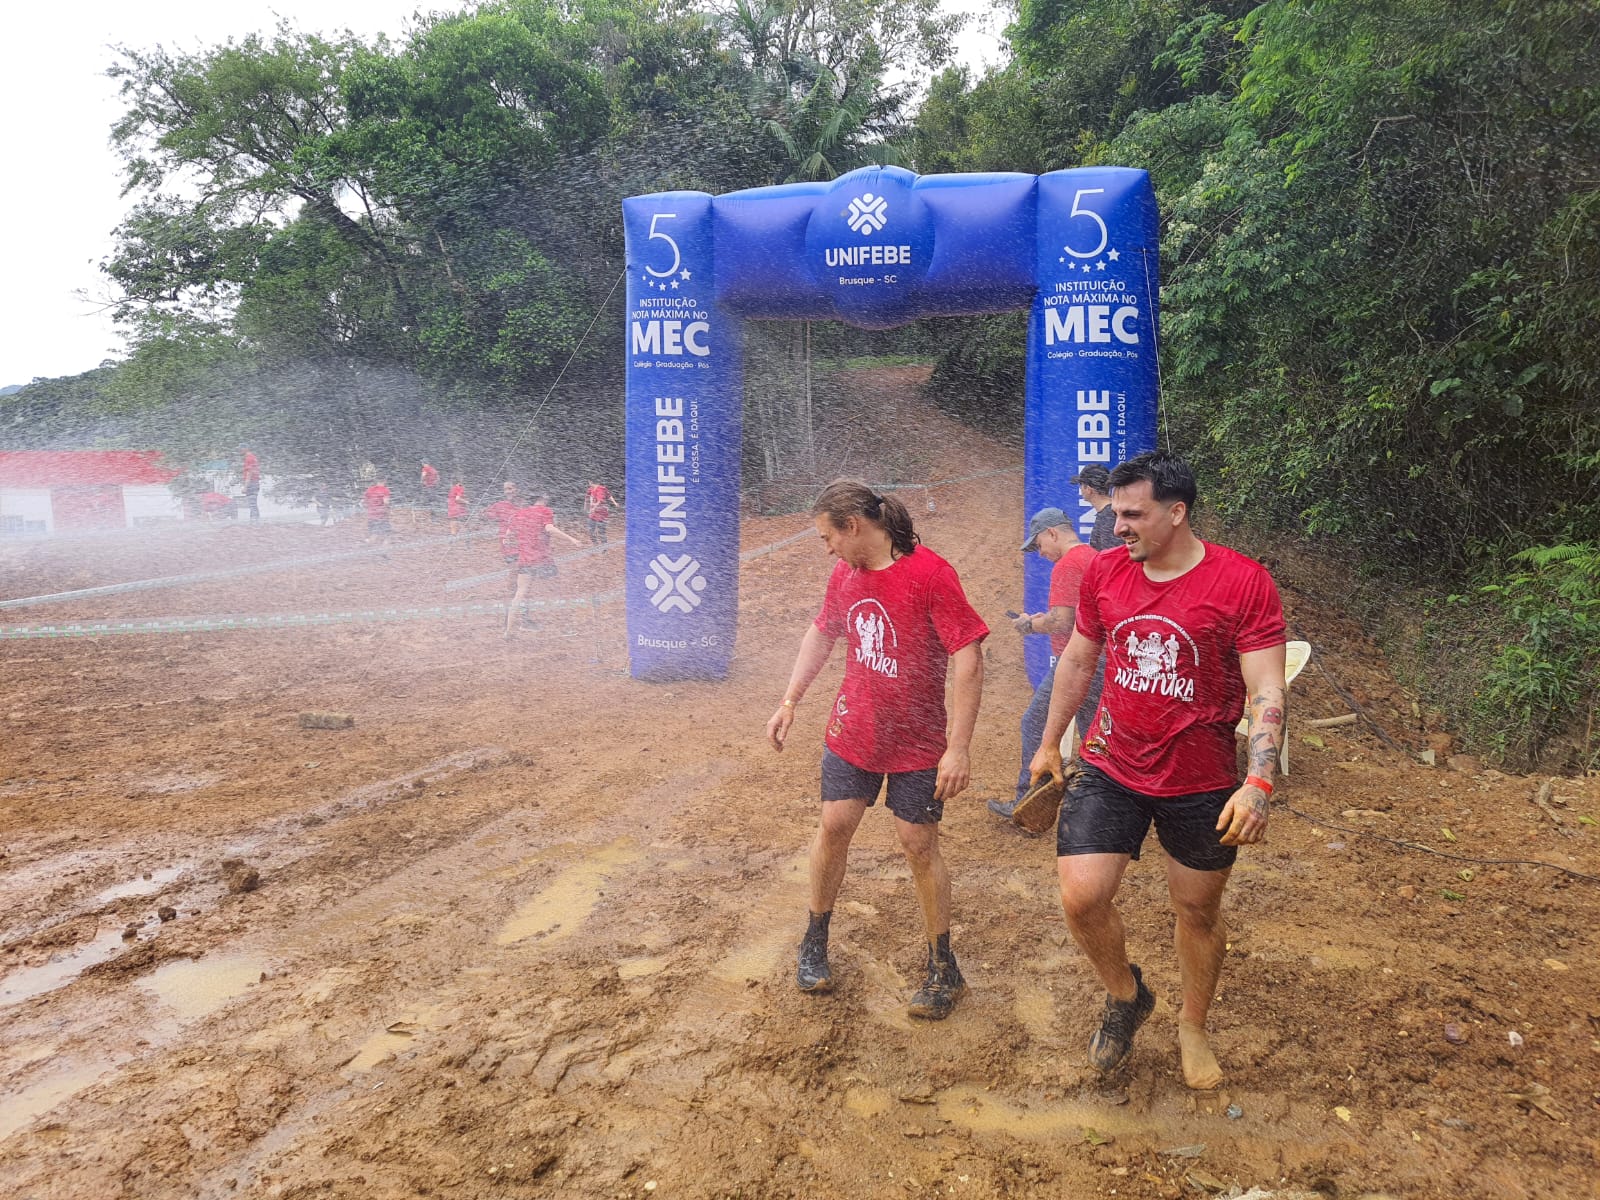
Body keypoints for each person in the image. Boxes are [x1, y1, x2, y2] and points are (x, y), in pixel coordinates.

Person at [1028, 451, 1287, 1090]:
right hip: (1111, 761)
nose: (1118, 527)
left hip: (1199, 779)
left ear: (1177, 512)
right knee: (1082, 896)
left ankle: (1192, 1025)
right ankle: (1126, 994)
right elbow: (1080, 661)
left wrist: (1258, 780)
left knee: (1195, 910)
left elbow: (1268, 689)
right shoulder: (1106, 574)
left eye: (1133, 515)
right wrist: (1048, 742)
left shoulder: (1243, 582)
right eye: (1115, 513)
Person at [766, 481, 988, 1020]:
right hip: (853, 731)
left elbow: (969, 655)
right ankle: (814, 940)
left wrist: (957, 747)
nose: (827, 549)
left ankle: (943, 966)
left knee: (918, 845)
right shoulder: (844, 574)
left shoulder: (931, 574)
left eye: (827, 537)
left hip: (917, 740)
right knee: (834, 826)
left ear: (853, 526)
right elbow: (821, 634)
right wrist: (790, 699)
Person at [987, 507, 1095, 825]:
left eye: (1038, 545)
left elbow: (1062, 620)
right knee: (1094, 739)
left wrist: (1030, 625)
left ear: (1052, 533)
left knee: (1034, 724)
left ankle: (1029, 803)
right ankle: (1101, 809)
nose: (1040, 553)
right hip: (1097, 660)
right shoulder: (1093, 557)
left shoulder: (1067, 564)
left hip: (1073, 662)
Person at [504, 490, 583, 638]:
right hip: (543, 560)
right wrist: (572, 539)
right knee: (557, 593)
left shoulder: (519, 514)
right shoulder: (545, 511)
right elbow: (549, 528)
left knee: (520, 594)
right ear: (542, 498)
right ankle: (565, 627)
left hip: (525, 560)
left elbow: (507, 537)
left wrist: (519, 544)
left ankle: (508, 631)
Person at [1073, 464, 1117, 551]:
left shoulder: (1109, 516)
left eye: (1081, 485)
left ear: (1089, 489)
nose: (1080, 489)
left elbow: (1113, 556)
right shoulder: (1110, 513)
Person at [483, 482, 522, 565]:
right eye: (505, 489)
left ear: (517, 490)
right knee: (515, 571)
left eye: (510, 488)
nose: (507, 491)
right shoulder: (500, 505)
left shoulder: (523, 504)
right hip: (509, 546)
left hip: (524, 544)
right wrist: (483, 513)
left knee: (526, 574)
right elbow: (486, 515)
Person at [585, 480, 619, 545]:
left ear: (591, 481)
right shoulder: (591, 489)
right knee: (591, 530)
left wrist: (614, 502)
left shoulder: (601, 489)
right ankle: (595, 544)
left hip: (601, 513)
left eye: (589, 482)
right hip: (593, 514)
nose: (588, 483)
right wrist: (587, 506)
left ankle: (604, 547)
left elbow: (602, 499)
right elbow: (587, 497)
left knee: (601, 531)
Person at [364, 476, 392, 547]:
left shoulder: (369, 490)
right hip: (381, 515)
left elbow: (365, 502)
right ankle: (383, 550)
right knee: (387, 534)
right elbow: (386, 502)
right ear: (385, 481)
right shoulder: (385, 490)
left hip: (371, 515)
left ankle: (368, 546)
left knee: (374, 533)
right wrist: (387, 511)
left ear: (376, 481)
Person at [416, 461, 440, 530]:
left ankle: (422, 518)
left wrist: (422, 482)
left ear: (424, 464)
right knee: (432, 502)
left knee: (424, 502)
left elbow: (423, 476)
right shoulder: (433, 469)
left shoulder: (425, 468)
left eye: (422, 464)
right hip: (433, 488)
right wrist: (434, 484)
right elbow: (438, 478)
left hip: (428, 488)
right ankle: (433, 518)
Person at [242, 449, 261, 525]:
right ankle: (256, 521)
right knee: (254, 504)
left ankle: (254, 523)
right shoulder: (254, 457)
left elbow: (249, 472)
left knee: (252, 504)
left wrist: (245, 487)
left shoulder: (248, 458)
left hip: (251, 484)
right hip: (255, 483)